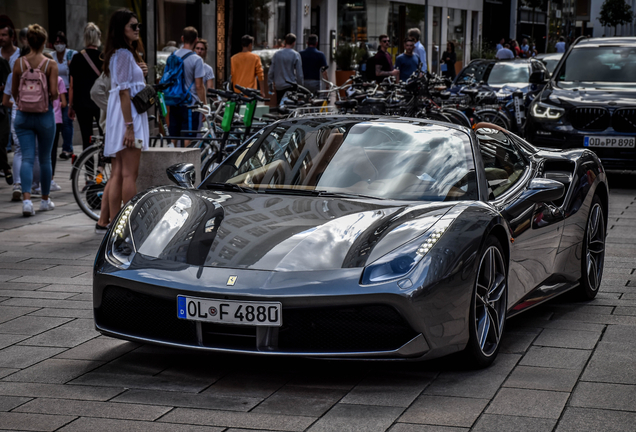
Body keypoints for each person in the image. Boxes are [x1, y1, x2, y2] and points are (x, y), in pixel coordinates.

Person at [103, 8, 149, 224]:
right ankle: (127, 224)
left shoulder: (122, 53)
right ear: (121, 28)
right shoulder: (122, 54)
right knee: (129, 174)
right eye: (133, 26)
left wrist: (142, 73)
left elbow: (126, 86)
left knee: (119, 173)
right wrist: (129, 126)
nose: (137, 29)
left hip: (122, 114)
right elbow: (123, 91)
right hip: (127, 115)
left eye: (138, 25)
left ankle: (114, 223)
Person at [11, 24, 59, 216]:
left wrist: (24, 102)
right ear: (45, 42)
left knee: (27, 158)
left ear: (27, 41)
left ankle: (27, 201)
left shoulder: (19, 63)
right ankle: (45, 200)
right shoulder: (50, 64)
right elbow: (55, 93)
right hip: (44, 115)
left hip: (23, 116)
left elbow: (14, 91)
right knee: (45, 158)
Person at [69, 22, 103, 164]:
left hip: (81, 104)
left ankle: (89, 175)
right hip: (100, 104)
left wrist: (71, 106)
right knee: (104, 138)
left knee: (86, 139)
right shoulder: (103, 57)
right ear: (98, 38)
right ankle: (101, 173)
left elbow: (72, 85)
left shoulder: (76, 58)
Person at [168, 26, 206, 145]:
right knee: (188, 136)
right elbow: (199, 86)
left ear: (182, 38)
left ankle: (172, 160)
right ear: (196, 40)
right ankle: (187, 161)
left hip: (174, 101)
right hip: (190, 104)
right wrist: (204, 105)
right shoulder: (196, 60)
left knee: (173, 134)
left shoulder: (172, 56)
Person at [52, 31, 76, 160]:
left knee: (67, 121)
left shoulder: (72, 54)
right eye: (56, 42)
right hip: (55, 92)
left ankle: (67, 149)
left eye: (61, 42)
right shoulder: (51, 56)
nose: (59, 45)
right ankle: (54, 147)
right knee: (55, 121)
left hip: (68, 90)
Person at [268, 33, 303, 103]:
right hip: (291, 86)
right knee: (290, 107)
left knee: (280, 108)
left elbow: (271, 72)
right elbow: (299, 74)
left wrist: (270, 85)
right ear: (294, 43)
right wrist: (301, 87)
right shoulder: (295, 55)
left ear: (285, 41)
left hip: (279, 86)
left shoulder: (276, 54)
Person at [50, 69, 66, 192]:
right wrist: (57, 104)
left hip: (40, 116)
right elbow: (64, 103)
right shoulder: (59, 80)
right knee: (53, 150)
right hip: (56, 118)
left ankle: (36, 181)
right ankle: (50, 179)